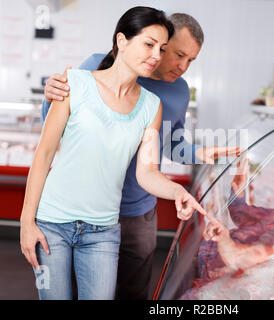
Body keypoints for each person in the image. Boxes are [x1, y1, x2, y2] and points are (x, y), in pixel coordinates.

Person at [42, 13, 240, 300]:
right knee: (72, 289)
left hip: (139, 211)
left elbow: (171, 145)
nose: (183, 67)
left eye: (191, 61)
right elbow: (53, 128)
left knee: (133, 290)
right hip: (82, 208)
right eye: (178, 55)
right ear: (160, 43)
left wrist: (200, 153)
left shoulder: (177, 92)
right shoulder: (99, 64)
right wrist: (51, 96)